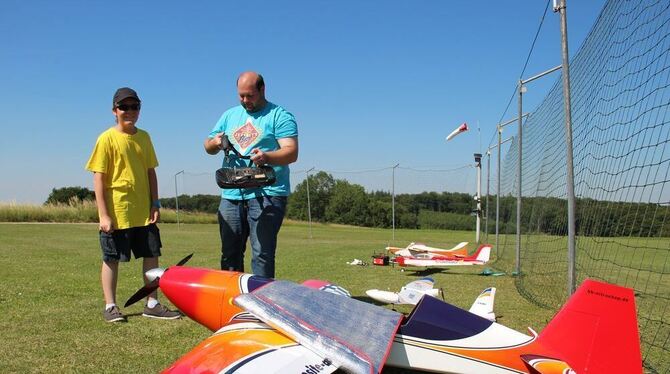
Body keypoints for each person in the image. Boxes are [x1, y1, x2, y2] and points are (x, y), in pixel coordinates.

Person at [86, 87, 181, 322]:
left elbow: (151, 173)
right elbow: (98, 177)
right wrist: (103, 215)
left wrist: (155, 203)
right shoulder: (106, 138)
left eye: (134, 106)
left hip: (144, 212)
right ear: (114, 111)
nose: (129, 111)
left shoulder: (145, 137)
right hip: (117, 211)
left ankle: (152, 303)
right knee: (111, 258)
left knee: (152, 255)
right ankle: (110, 306)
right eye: (124, 107)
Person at [204, 72, 298, 278]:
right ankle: (231, 302)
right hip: (232, 195)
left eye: (250, 95)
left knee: (262, 254)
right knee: (230, 254)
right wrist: (216, 143)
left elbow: (291, 151)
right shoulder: (229, 115)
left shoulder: (279, 115)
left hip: (267, 193)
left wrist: (267, 157)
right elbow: (207, 145)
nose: (245, 101)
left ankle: (260, 303)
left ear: (262, 90)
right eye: (241, 96)